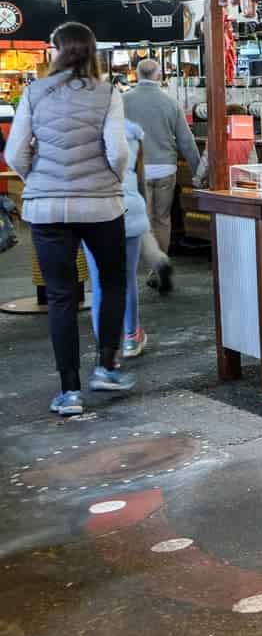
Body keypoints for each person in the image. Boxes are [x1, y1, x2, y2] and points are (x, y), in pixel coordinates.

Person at [5, 22, 134, 415]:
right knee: (111, 284)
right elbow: (118, 151)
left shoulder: (33, 91)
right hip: (101, 206)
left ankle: (70, 392)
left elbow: (14, 154)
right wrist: (110, 181)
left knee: (61, 296)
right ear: (93, 51)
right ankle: (107, 367)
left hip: (47, 209)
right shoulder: (108, 93)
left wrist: (38, 181)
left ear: (56, 51)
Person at [124, 57, 200, 292]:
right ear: (159, 76)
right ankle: (158, 266)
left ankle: (144, 263)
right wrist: (198, 171)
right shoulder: (171, 103)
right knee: (163, 218)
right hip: (166, 168)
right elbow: (186, 141)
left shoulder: (122, 101)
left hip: (138, 170)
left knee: (142, 220)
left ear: (137, 75)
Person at [86, 119, 157, 359]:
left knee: (99, 283)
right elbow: (140, 178)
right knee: (126, 279)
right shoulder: (132, 133)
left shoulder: (82, 130)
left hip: (94, 210)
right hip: (130, 207)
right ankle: (131, 337)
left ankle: (106, 350)